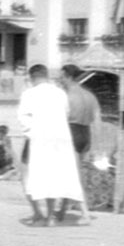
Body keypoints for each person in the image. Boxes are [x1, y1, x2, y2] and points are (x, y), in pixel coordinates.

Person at [17, 63, 84, 225]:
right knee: (53, 175)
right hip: (60, 139)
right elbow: (66, 113)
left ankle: (38, 212)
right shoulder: (60, 93)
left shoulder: (29, 94)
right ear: (46, 75)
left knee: (32, 174)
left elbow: (23, 118)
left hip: (39, 139)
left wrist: (31, 134)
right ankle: (50, 216)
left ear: (32, 77)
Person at [60, 65, 101, 217]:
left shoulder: (67, 96)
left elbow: (61, 120)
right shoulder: (90, 96)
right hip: (85, 134)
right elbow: (97, 121)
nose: (60, 80)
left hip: (72, 133)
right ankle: (63, 209)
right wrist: (96, 146)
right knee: (69, 173)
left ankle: (85, 213)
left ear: (69, 77)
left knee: (74, 176)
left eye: (62, 77)